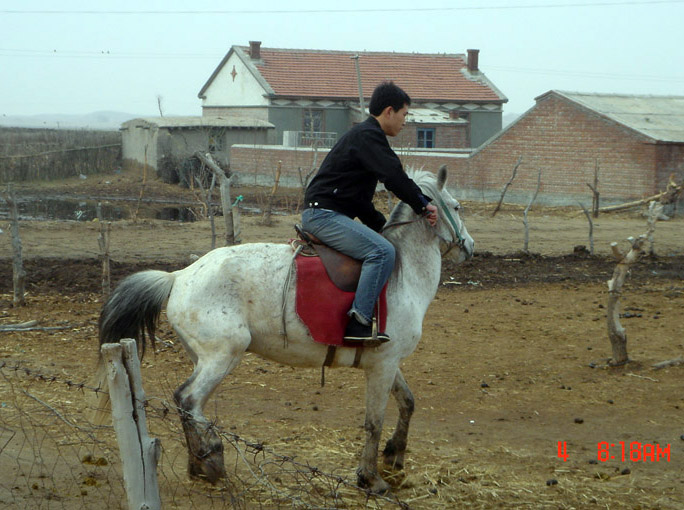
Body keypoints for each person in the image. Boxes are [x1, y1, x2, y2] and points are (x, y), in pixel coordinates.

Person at [301, 81, 438, 347]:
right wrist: (422, 204)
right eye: (404, 115)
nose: (404, 122)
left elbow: (358, 200)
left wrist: (380, 225)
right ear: (389, 111)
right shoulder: (368, 136)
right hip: (324, 216)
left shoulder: (364, 137)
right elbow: (393, 176)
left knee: (381, 243)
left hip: (328, 213)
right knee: (382, 252)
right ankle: (359, 321)